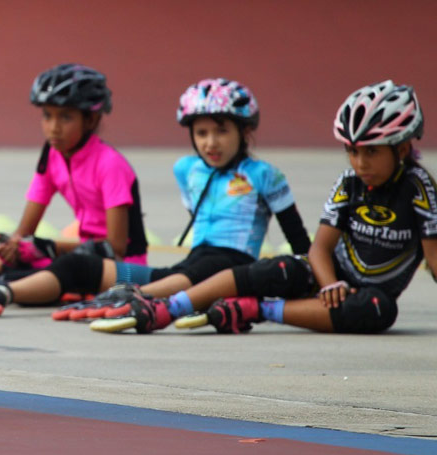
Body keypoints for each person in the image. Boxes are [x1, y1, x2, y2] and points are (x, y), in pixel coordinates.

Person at [0, 78, 311, 318]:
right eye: (202, 132)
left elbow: (299, 241)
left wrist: (314, 281)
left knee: (180, 272)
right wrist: (21, 245)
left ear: (244, 132)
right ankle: (7, 285)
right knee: (69, 264)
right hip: (192, 262)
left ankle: (120, 295)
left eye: (222, 131)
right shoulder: (188, 170)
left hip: (231, 265)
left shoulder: (264, 175)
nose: (211, 142)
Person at [105, 80, 436, 335]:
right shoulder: (349, 182)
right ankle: (168, 309)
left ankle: (256, 309)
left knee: (380, 310)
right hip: (329, 277)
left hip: (370, 294)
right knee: (271, 269)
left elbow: (433, 260)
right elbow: (318, 248)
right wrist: (329, 283)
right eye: (352, 151)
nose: (360, 163)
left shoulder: (419, 189)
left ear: (403, 147)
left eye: (372, 152)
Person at [0, 63, 148, 286]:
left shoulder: (110, 164)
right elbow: (24, 232)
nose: (53, 127)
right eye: (47, 116)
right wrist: (12, 248)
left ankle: (17, 280)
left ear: (91, 120)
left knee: (65, 265)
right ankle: (22, 278)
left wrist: (48, 247)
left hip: (121, 267)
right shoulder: (53, 157)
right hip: (78, 257)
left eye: (65, 118)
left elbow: (115, 247)